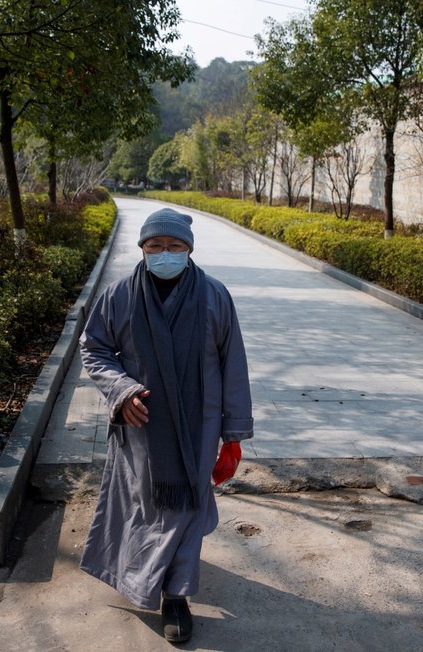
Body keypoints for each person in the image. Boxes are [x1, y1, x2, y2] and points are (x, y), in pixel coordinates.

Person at [78, 207, 254, 644]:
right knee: (145, 505)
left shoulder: (214, 296)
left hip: (199, 425)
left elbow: (233, 363)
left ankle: (176, 596)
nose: (165, 254)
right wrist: (121, 391)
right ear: (142, 249)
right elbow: (94, 348)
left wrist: (233, 430)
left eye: (175, 247)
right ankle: (141, 574)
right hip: (141, 425)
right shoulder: (119, 295)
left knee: (186, 507)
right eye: (155, 246)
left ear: (189, 250)